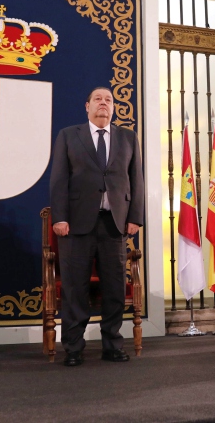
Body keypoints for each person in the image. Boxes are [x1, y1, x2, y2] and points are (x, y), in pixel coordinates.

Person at [50, 87, 144, 366]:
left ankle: (112, 345)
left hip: (114, 225)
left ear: (113, 107)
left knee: (114, 289)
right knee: (74, 288)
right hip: (76, 225)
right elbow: (59, 178)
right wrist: (59, 217)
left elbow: (136, 179)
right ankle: (73, 348)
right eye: (98, 99)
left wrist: (135, 217)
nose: (104, 103)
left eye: (108, 100)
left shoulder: (128, 137)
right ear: (87, 106)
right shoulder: (69, 135)